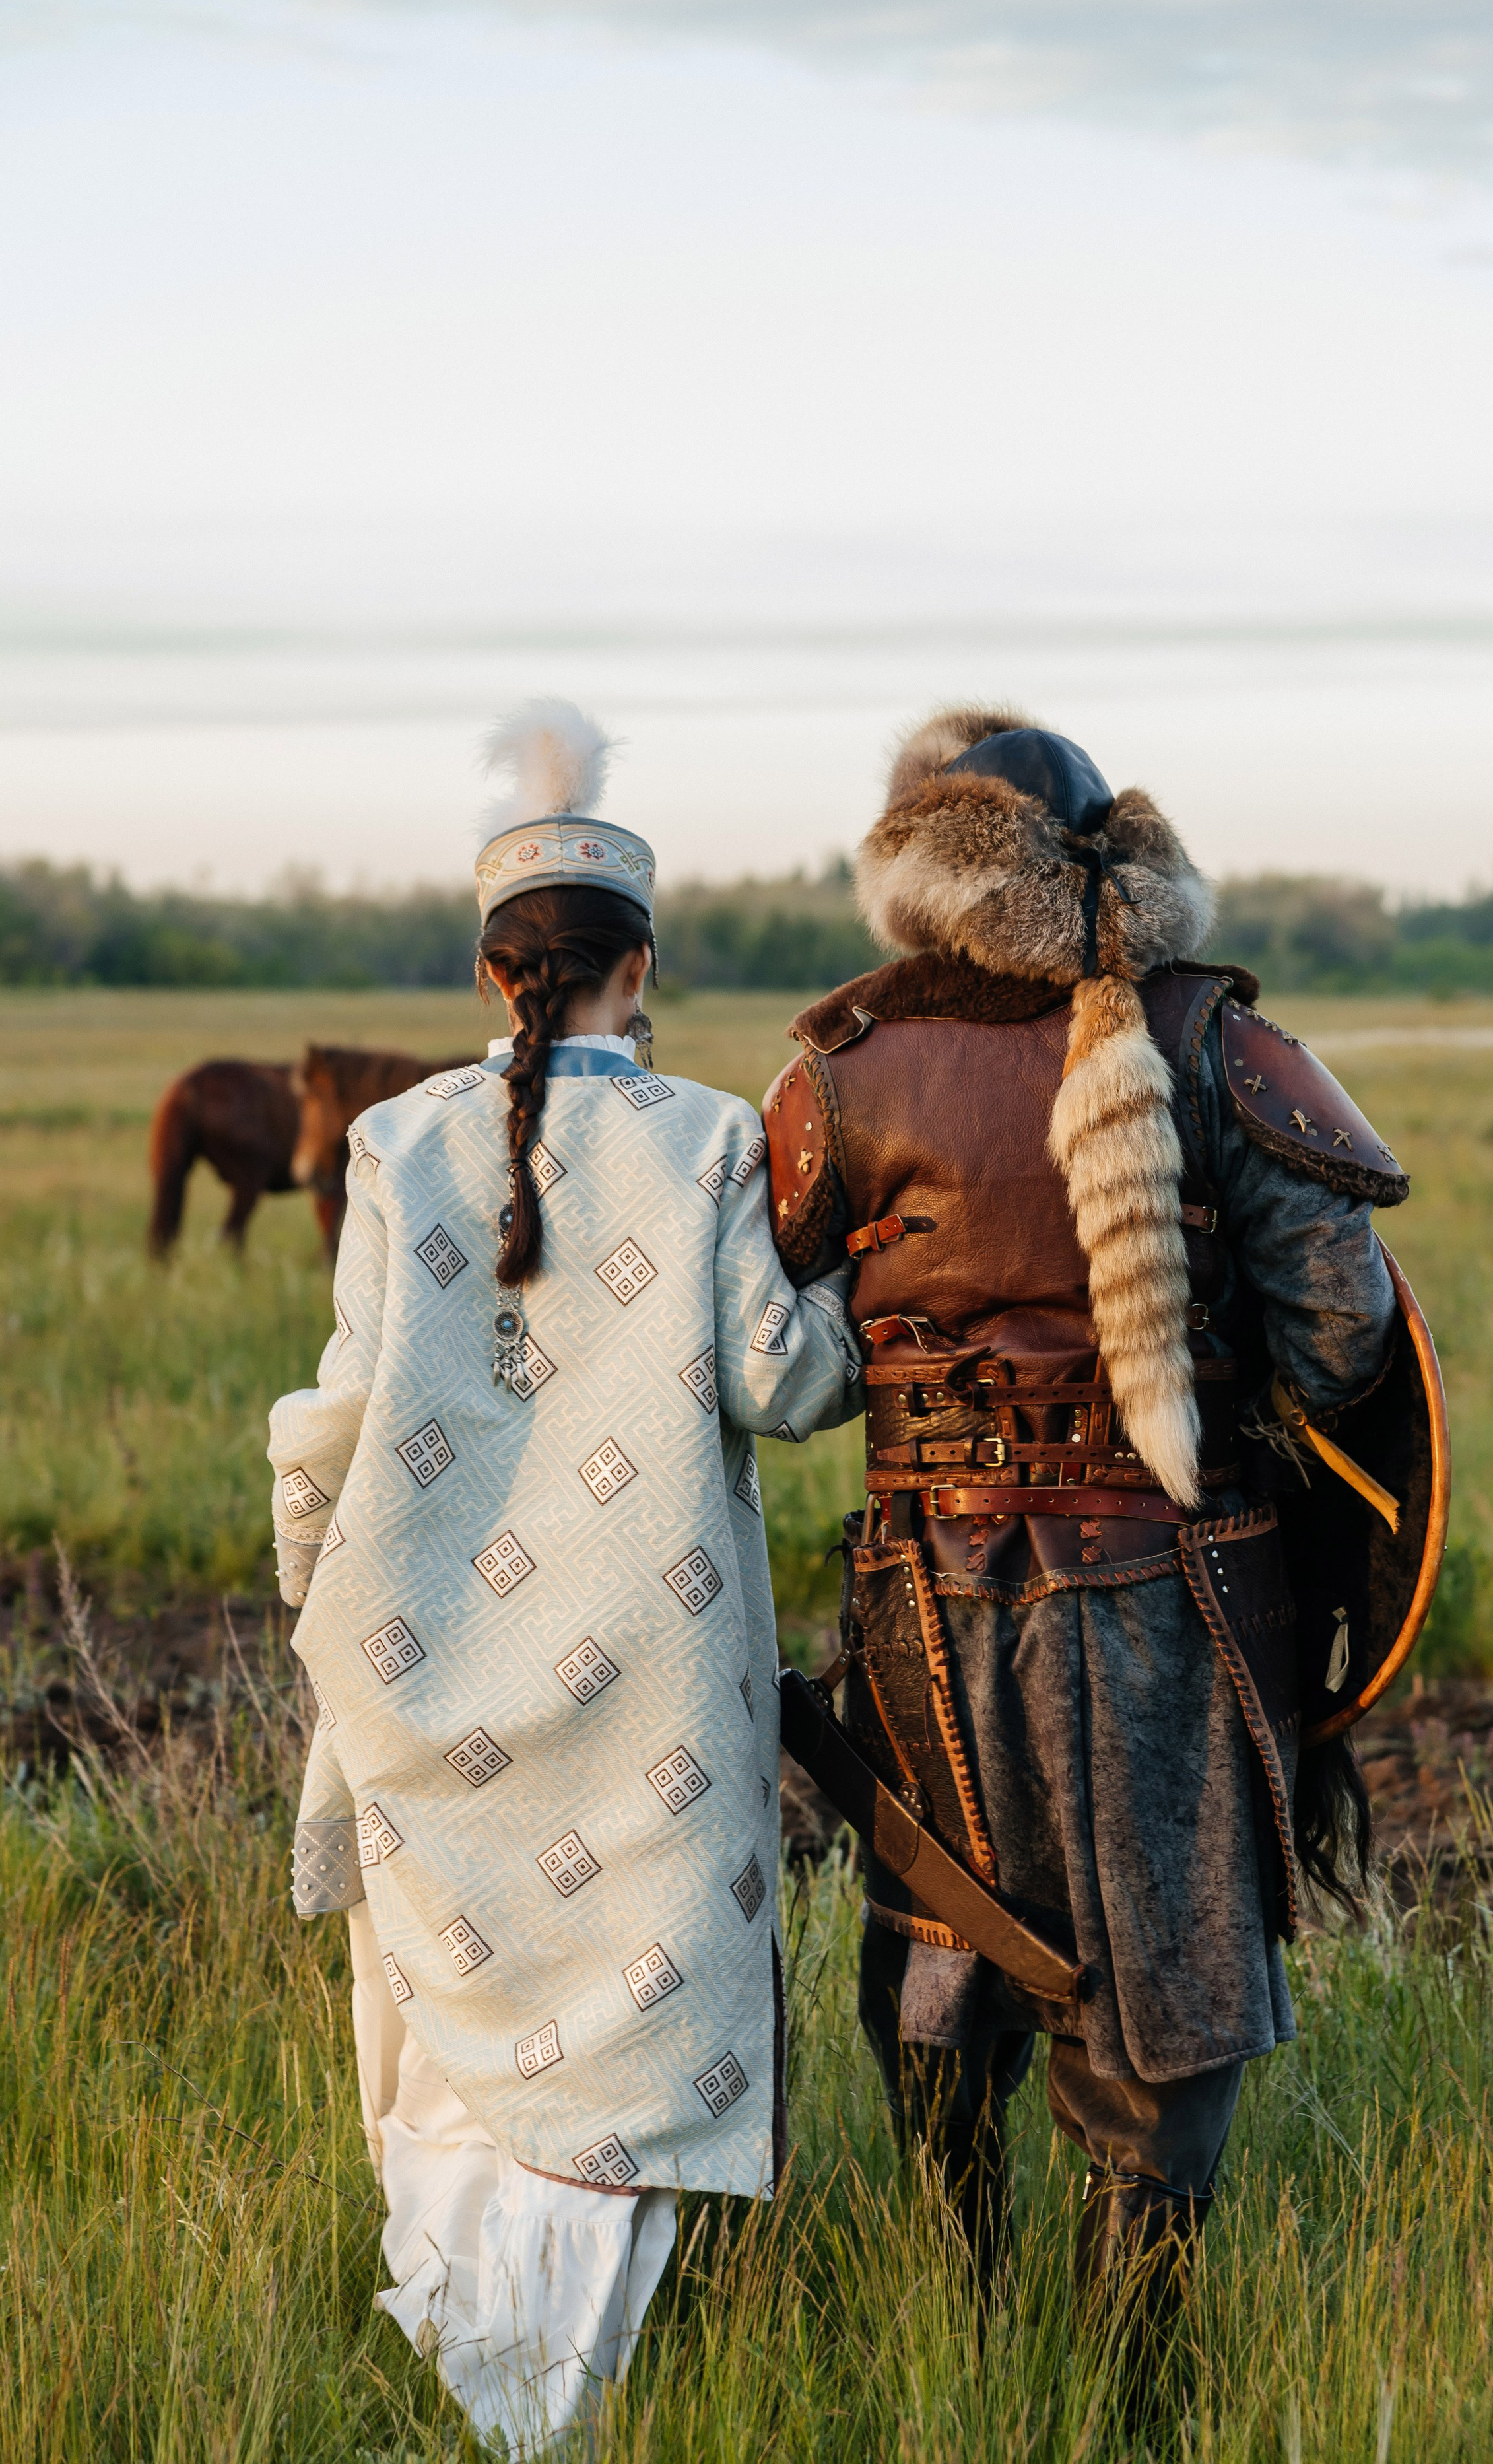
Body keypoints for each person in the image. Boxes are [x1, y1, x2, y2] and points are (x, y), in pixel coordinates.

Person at [762, 706, 1406, 2402]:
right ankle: (1137, 2398)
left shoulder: (833, 1065)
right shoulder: (1210, 1039)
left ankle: (955, 2349)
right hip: (1170, 1589)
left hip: (924, 1585)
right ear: (1103, 862)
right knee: (1166, 1964)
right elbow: (1343, 1335)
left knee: (941, 1940)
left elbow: (772, 1351)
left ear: (916, 875)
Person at [269, 701, 862, 2454]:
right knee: (641, 1992)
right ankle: (561, 2397)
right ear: (641, 966)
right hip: (654, 1670)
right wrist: (868, 1289)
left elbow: (345, 1405)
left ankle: (496, 2382)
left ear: (485, 973)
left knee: (457, 1992)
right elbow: (785, 1384)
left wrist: (327, 1608)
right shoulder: (708, 1140)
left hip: (423, 1658)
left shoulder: (391, 1146)